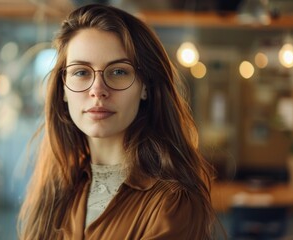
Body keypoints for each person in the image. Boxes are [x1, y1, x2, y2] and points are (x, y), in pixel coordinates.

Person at [18, 3, 221, 239]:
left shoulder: (172, 203)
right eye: (81, 72)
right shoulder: (56, 191)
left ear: (144, 87)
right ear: (63, 89)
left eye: (118, 72)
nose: (98, 90)